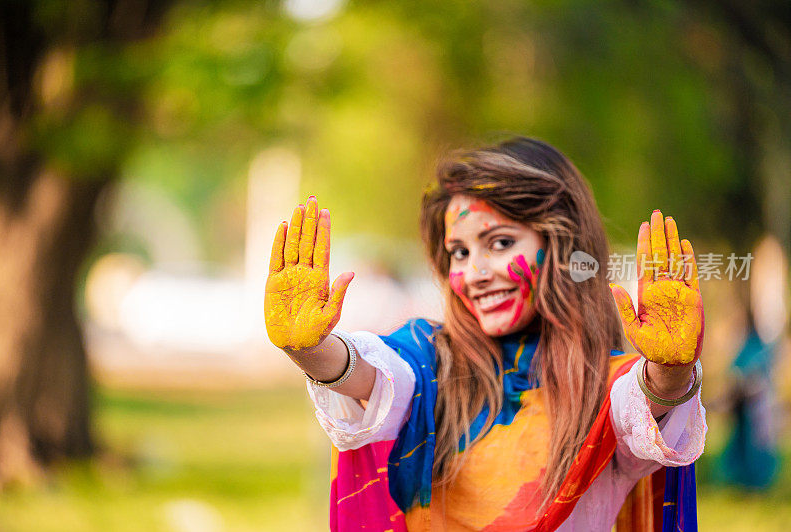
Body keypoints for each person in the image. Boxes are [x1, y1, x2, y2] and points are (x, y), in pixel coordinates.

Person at [264, 137, 706, 531]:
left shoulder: (610, 389)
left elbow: (648, 407)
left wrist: (671, 368)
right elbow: (373, 378)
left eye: (500, 243)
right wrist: (312, 350)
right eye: (459, 251)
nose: (474, 273)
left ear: (560, 245)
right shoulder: (430, 361)